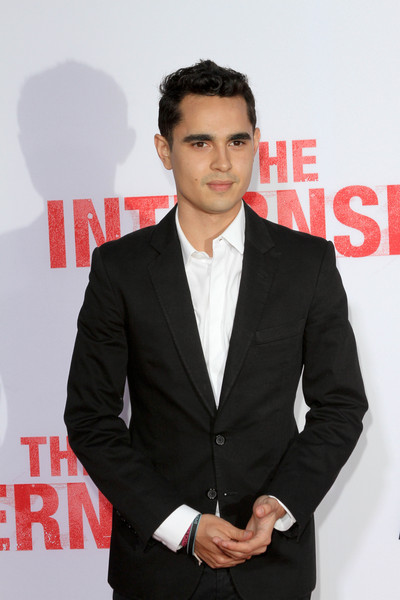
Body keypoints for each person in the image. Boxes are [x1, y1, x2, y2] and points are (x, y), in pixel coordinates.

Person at [64, 60, 368, 600]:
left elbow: (340, 406)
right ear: (165, 150)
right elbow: (91, 419)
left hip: (272, 567)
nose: (223, 162)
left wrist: (280, 505)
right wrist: (181, 525)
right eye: (200, 143)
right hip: (157, 571)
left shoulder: (308, 264)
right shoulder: (120, 269)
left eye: (237, 141)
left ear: (257, 144)